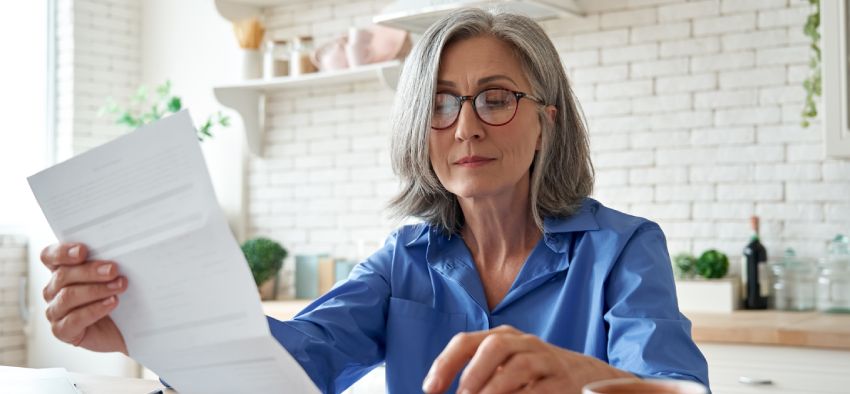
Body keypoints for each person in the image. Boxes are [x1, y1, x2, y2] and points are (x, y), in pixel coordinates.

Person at [39, 8, 709, 394]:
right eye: (441, 104)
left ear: (547, 121)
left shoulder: (622, 248)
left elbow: (678, 390)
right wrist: (147, 328)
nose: (467, 125)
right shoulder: (404, 262)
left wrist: (583, 378)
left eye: (495, 98)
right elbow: (284, 364)